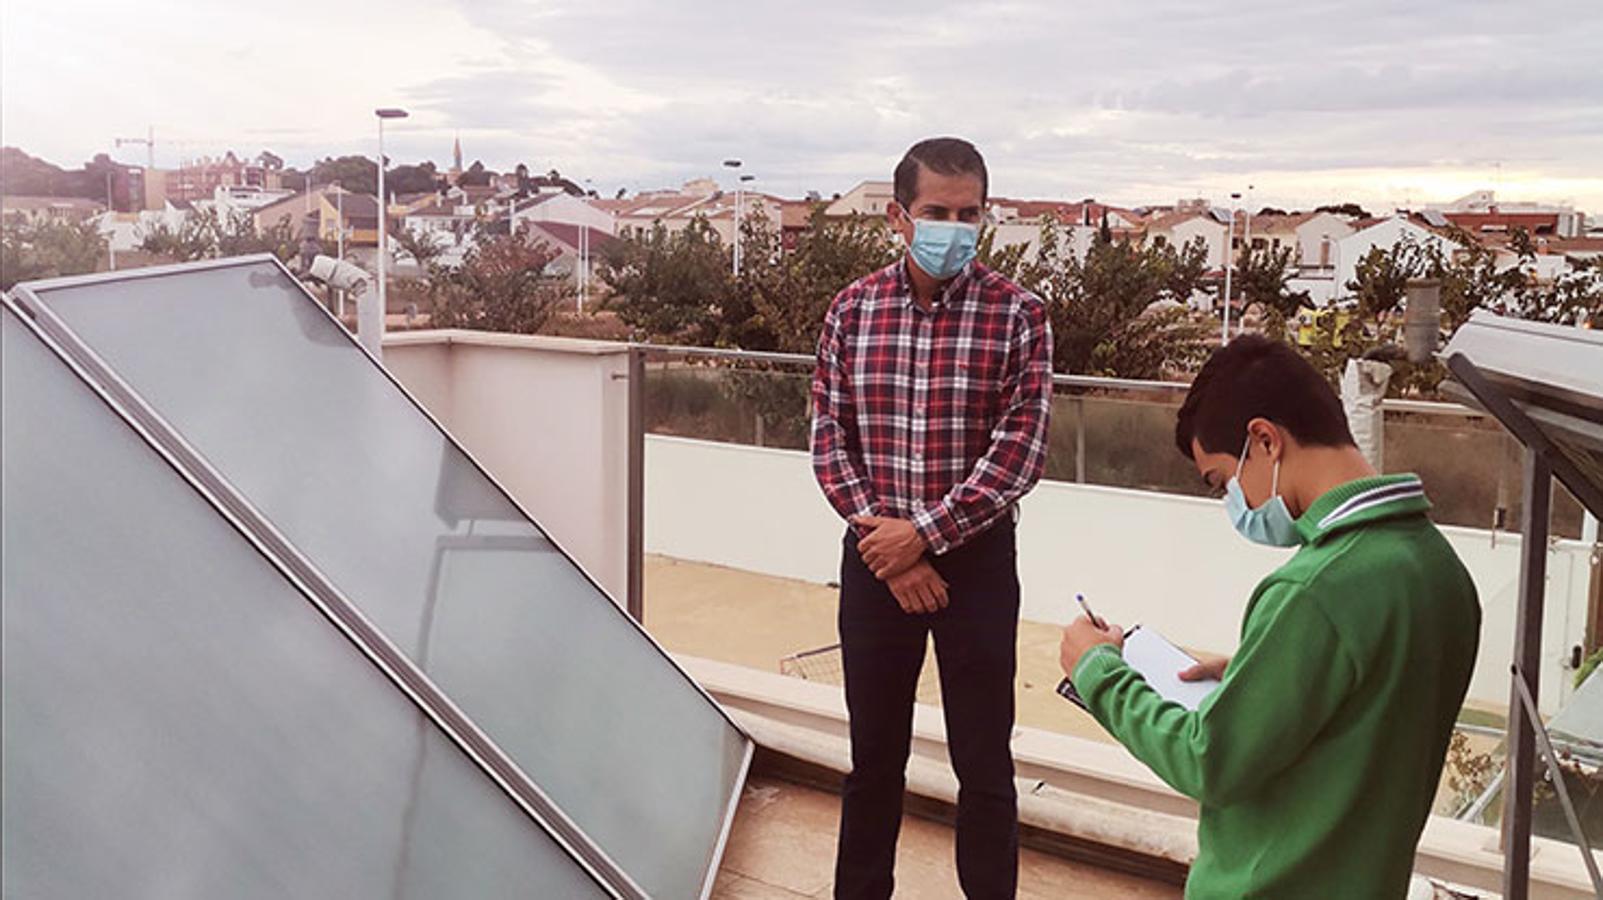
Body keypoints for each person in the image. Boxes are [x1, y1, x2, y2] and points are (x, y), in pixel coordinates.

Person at [1058, 335, 1481, 898]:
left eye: (1223, 481)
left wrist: (1098, 672)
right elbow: (1372, 704)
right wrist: (1263, 668)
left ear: (1264, 440)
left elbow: (1208, 762)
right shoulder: (1437, 568)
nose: (1233, 501)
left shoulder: (1314, 589)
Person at [811, 136, 1053, 900]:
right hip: (874, 557)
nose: (954, 226)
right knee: (872, 760)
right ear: (898, 216)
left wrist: (926, 536)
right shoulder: (851, 310)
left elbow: (1021, 449)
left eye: (968, 212)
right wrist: (892, 549)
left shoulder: (1020, 315)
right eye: (936, 211)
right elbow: (827, 437)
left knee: (984, 766)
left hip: (975, 566)